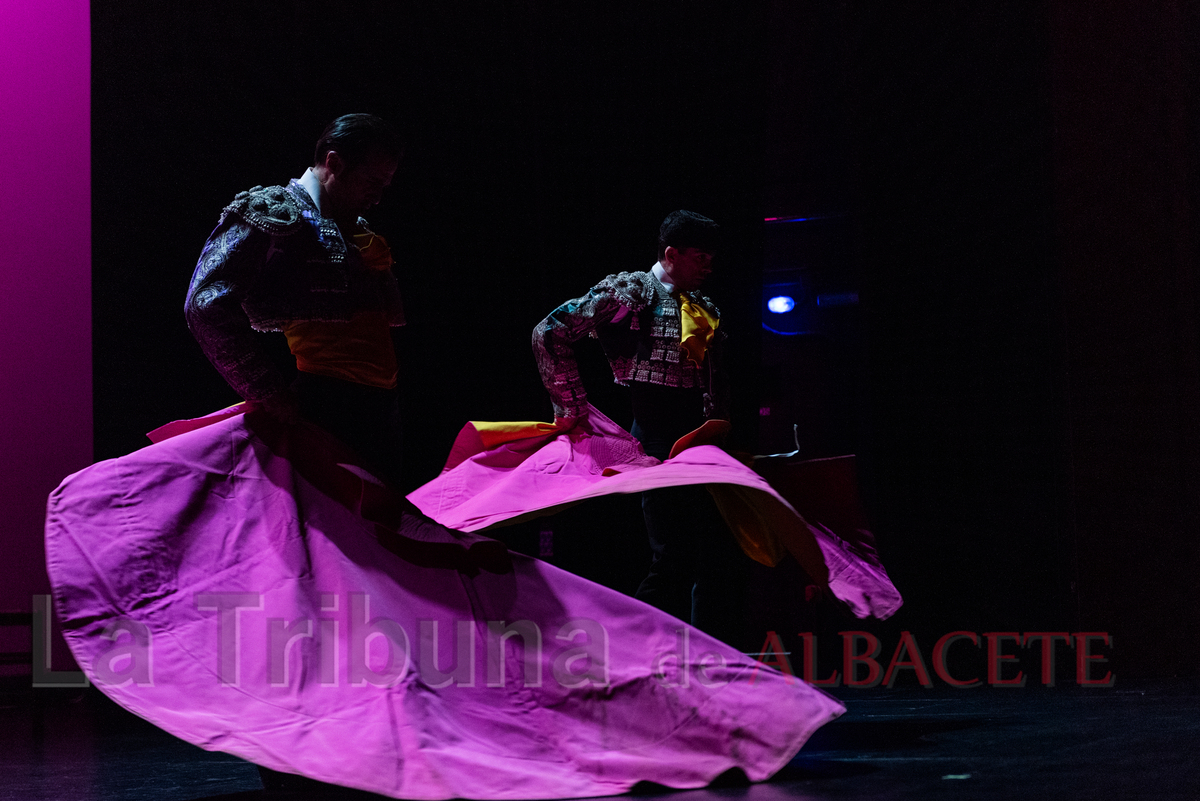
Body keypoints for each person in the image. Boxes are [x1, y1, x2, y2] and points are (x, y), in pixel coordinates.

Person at [532, 210, 753, 649]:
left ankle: (705, 655)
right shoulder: (631, 291)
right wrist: (571, 407)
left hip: (704, 437)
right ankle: (637, 652)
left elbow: (719, 376)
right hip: (655, 432)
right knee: (673, 556)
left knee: (716, 553)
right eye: (699, 257)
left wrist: (723, 427)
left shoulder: (705, 305)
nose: (708, 267)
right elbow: (549, 331)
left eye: (710, 258)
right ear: (670, 254)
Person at [186, 113, 406, 483]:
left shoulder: (355, 226)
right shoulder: (274, 212)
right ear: (334, 162)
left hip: (380, 409)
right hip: (324, 405)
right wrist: (268, 391)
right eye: (372, 182)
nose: (378, 198)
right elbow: (205, 304)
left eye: (384, 185)